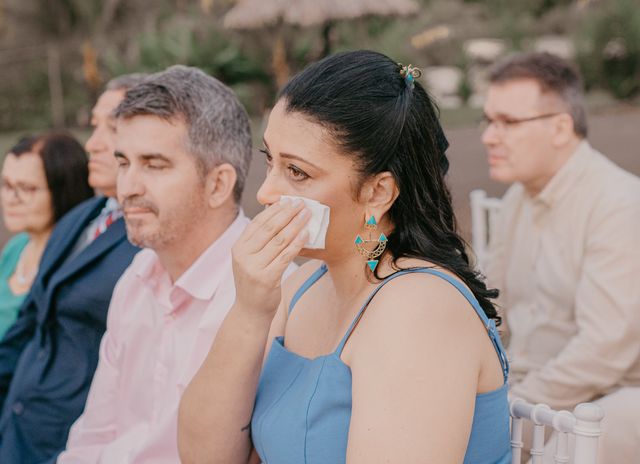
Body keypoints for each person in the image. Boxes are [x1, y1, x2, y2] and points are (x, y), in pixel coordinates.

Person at [178, 50, 512, 464]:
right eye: (271, 162)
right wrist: (249, 310)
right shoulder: (304, 284)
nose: (266, 194)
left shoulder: (419, 310)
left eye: (297, 173)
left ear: (377, 193)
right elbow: (204, 456)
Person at [59, 65, 281, 463]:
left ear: (218, 184)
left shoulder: (271, 299)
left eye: (154, 165)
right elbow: (93, 435)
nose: (127, 188)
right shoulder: (136, 278)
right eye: (123, 163)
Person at [481, 51, 640, 463]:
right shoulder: (518, 196)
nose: (488, 136)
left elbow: (603, 350)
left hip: (606, 398)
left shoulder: (618, 203)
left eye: (508, 122)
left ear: (560, 127)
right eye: (489, 120)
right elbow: (488, 305)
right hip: (529, 389)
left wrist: (510, 403)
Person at [0, 74, 147, 463]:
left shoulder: (148, 240)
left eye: (111, 128)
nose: (93, 143)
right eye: (94, 125)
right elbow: (30, 325)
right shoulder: (80, 217)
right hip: (16, 429)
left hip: (69, 442)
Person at [0, 133, 93, 338]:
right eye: (6, 185)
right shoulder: (17, 247)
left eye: (26, 188)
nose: (10, 199)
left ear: (64, 191)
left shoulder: (73, 263)